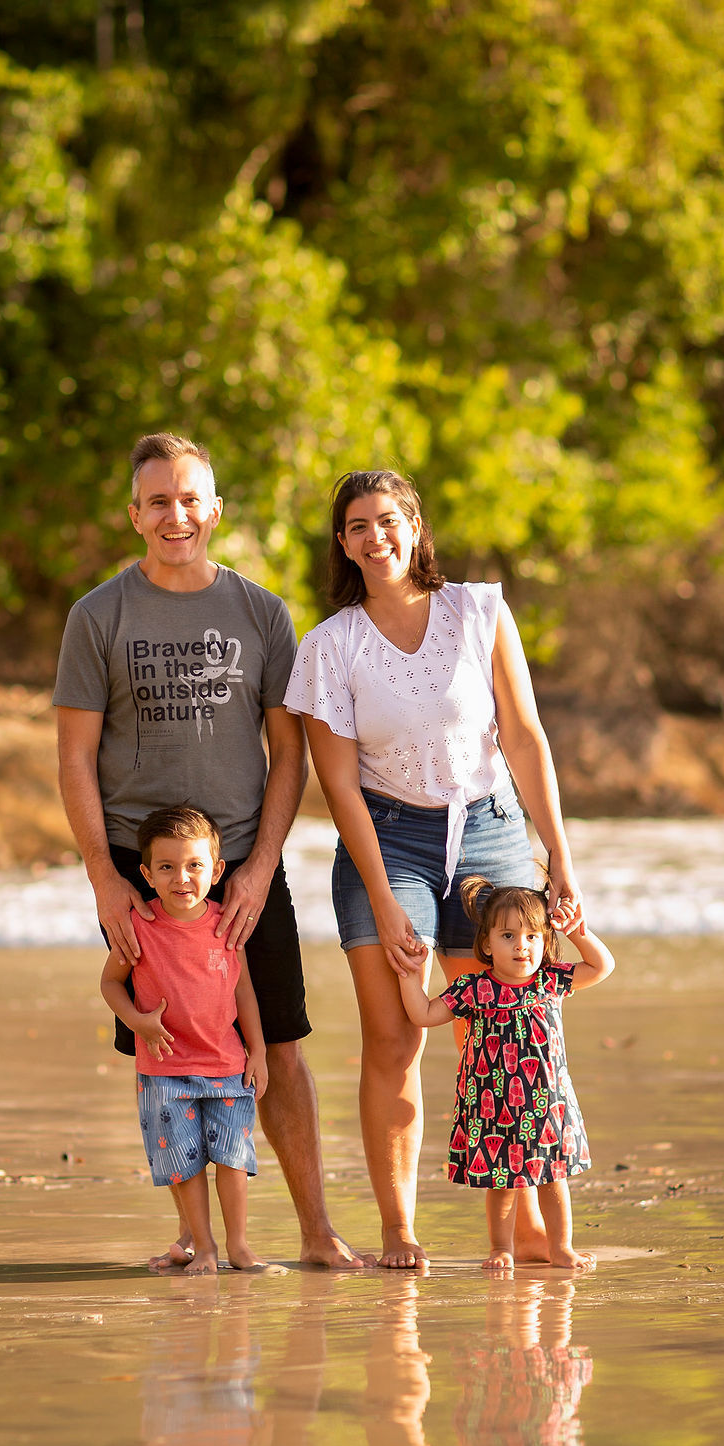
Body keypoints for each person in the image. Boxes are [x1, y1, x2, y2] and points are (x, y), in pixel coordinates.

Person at [54, 431, 361, 1270]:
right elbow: (74, 757)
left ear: (215, 510)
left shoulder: (262, 613)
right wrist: (103, 880)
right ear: (134, 515)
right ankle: (193, 1235)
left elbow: (289, 754)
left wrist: (259, 868)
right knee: (164, 1042)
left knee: (281, 1046)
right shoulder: (98, 617)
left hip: (236, 865)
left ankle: (314, 1232)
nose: (175, 515)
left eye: (190, 499)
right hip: (140, 869)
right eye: (158, 501)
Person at [284, 468, 584, 1270]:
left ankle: (524, 1229)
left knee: (508, 1027)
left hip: (490, 831)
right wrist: (383, 898)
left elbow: (524, 739)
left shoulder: (478, 610)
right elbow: (337, 784)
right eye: (356, 526)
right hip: (387, 844)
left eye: (387, 520)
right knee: (392, 1040)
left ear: (414, 526)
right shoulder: (328, 647)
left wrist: (558, 856)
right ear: (341, 544)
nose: (373, 537)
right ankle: (399, 1229)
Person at [399, 878, 614, 1273]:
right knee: (501, 1184)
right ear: (486, 944)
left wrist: (578, 932)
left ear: (546, 940)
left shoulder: (549, 981)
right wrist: (410, 976)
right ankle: (502, 1247)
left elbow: (602, 966)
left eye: (533, 935)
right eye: (509, 935)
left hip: (547, 1103)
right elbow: (424, 1015)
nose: (522, 946)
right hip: (491, 1104)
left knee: (552, 1178)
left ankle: (562, 1247)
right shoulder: (474, 988)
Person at [101, 805, 270, 1274]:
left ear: (216, 871)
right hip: (165, 1069)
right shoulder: (138, 926)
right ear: (146, 874)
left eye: (195, 865)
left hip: (226, 1065)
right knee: (186, 1164)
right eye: (167, 867)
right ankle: (206, 1248)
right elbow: (110, 983)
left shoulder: (226, 924)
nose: (182, 878)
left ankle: (239, 1245)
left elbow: (245, 992)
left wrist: (257, 1052)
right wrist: (137, 1020)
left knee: (235, 1159)